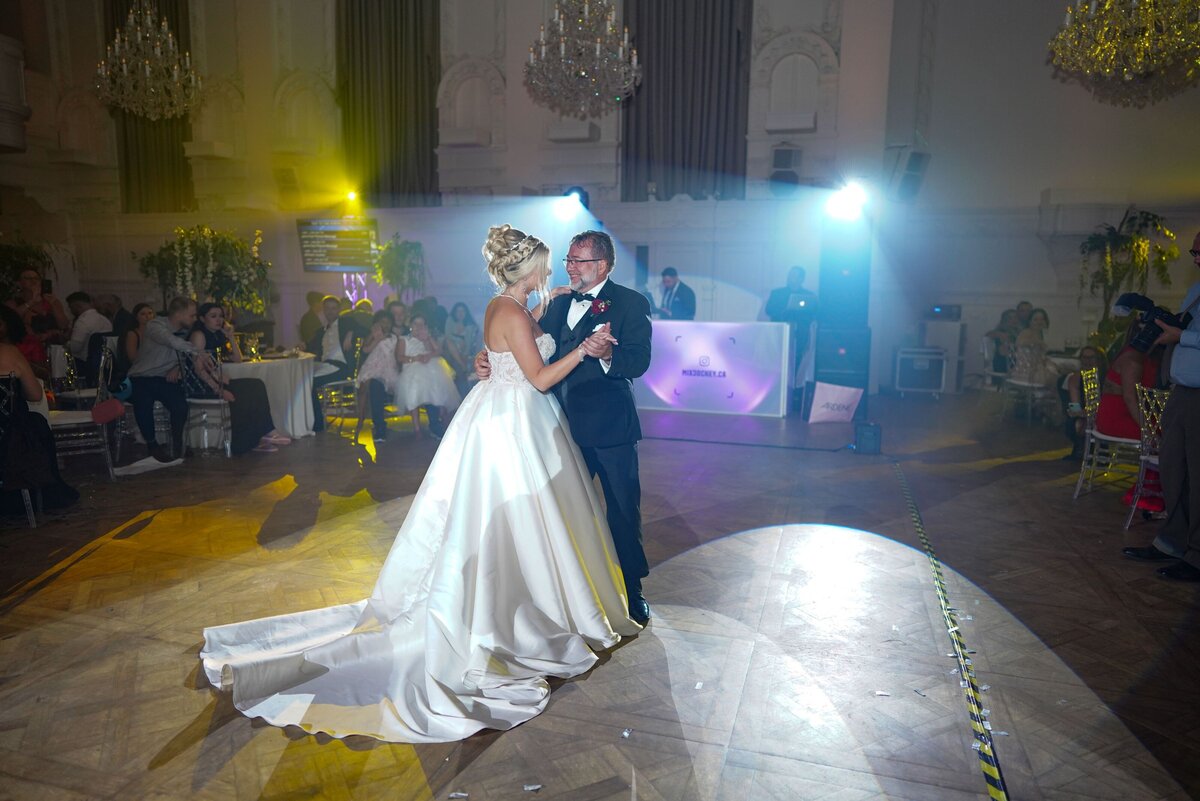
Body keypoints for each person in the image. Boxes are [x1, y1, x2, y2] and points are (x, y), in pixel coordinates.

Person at [199, 223, 638, 743]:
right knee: (510, 519)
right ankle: (509, 614)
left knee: (526, 520)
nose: (555, 272)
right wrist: (583, 350)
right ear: (527, 270)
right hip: (513, 425)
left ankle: (537, 600)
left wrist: (541, 317)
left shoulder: (518, 307)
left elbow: (522, 335)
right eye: (548, 264)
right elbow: (538, 375)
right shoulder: (508, 309)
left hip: (515, 416)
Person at [476, 229, 654, 624]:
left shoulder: (629, 303)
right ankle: (570, 590)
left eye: (578, 261)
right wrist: (487, 357)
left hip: (610, 428)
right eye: (568, 260)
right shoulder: (555, 302)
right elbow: (518, 339)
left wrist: (610, 352)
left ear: (602, 265)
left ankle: (632, 587)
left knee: (622, 510)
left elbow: (640, 361)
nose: (569, 267)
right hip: (553, 427)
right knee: (561, 512)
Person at [1123, 230, 1200, 582]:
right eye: (1194, 252)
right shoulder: (1196, 290)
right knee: (1174, 471)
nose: (1196, 259)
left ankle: (1196, 557)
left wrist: (1180, 335)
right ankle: (1171, 542)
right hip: (1182, 392)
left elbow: (1186, 335)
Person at [188, 303, 291, 455]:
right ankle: (244, 442)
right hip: (200, 385)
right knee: (242, 393)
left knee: (256, 384)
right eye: (213, 316)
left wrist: (230, 336)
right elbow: (198, 370)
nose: (219, 320)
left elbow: (238, 359)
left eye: (221, 316)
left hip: (217, 381)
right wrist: (219, 390)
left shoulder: (217, 334)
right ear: (202, 319)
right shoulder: (199, 335)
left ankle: (264, 433)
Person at [0, 314, 78, 513]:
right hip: (10, 438)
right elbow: (35, 394)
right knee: (37, 423)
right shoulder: (9, 353)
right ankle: (42, 494)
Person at [127, 297, 214, 463]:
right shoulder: (155, 326)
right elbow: (171, 341)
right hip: (142, 376)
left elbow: (181, 354)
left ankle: (177, 443)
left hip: (164, 377)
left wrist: (177, 367)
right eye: (192, 315)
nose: (194, 319)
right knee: (144, 402)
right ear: (179, 314)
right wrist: (199, 352)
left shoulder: (186, 328)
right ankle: (152, 445)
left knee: (180, 405)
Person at [393, 313, 460, 438]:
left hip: (429, 366)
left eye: (422, 324)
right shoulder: (404, 339)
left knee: (433, 388)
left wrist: (428, 347)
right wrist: (415, 358)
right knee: (414, 391)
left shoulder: (426, 337)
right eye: (416, 323)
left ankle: (435, 423)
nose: (419, 326)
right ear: (410, 325)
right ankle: (417, 428)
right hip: (412, 367)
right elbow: (399, 357)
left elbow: (438, 351)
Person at [306, 295, 360, 432]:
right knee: (300, 379)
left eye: (333, 308)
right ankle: (305, 421)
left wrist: (351, 333)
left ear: (339, 310)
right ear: (323, 310)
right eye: (327, 309)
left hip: (340, 367)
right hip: (323, 366)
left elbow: (365, 330)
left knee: (308, 383)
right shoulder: (321, 331)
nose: (330, 312)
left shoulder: (346, 322)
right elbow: (308, 347)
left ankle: (317, 424)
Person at [354, 310, 400, 442]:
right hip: (373, 366)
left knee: (377, 386)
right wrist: (377, 338)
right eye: (382, 322)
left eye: (388, 322)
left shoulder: (394, 337)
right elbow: (365, 350)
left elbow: (396, 355)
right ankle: (362, 417)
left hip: (388, 367)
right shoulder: (373, 334)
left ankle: (376, 423)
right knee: (366, 385)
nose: (385, 325)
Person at [1060, 345, 1104, 459]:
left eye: (1091, 358)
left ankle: (1097, 453)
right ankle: (1080, 450)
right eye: (1084, 358)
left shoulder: (1104, 377)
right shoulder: (1075, 378)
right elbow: (1075, 405)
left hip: (1102, 412)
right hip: (1084, 413)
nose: (1087, 361)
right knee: (1074, 423)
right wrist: (1079, 413)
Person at [7, 267, 68, 345]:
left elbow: (64, 325)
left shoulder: (51, 301)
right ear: (19, 283)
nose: (33, 281)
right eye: (28, 278)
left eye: (36, 278)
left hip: (53, 347)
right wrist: (31, 302)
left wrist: (53, 304)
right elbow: (11, 321)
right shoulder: (13, 303)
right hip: (27, 348)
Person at [1008, 307, 1060, 387]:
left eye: (1042, 319)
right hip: (1026, 371)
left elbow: (1041, 356)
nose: (1039, 322)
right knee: (1059, 378)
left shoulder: (1041, 335)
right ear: (1029, 322)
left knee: (1067, 371)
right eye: (1035, 320)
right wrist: (1036, 342)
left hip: (1037, 368)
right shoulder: (1027, 332)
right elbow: (1019, 343)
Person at [443, 302, 482, 396]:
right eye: (458, 311)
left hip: (466, 354)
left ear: (466, 313)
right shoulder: (450, 322)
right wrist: (458, 340)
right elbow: (447, 337)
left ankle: (465, 396)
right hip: (451, 354)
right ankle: (462, 365)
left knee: (461, 372)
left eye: (462, 311)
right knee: (449, 343)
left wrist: (466, 353)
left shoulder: (471, 327)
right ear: (454, 313)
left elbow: (473, 343)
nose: (460, 314)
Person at [65, 291, 112, 361]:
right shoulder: (105, 320)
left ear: (77, 306)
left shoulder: (82, 321)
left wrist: (66, 343)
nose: (70, 311)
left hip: (84, 364)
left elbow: (75, 348)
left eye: (70, 307)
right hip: (106, 362)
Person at [985, 308, 1022, 378]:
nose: (1013, 320)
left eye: (1015, 317)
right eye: (1010, 318)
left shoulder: (1019, 333)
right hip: (1003, 365)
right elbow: (1004, 352)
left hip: (1015, 363)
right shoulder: (1002, 332)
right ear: (1004, 320)